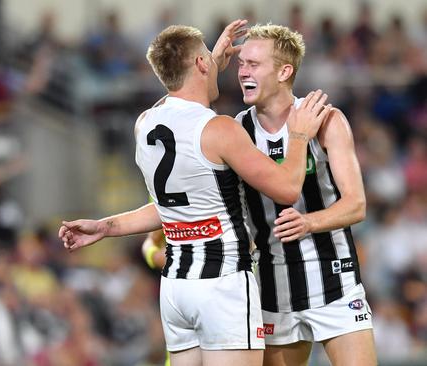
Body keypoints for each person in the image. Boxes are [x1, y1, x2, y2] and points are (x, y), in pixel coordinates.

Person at [60, 20, 332, 366]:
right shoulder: (220, 129)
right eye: (208, 56)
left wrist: (105, 227)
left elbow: (168, 205)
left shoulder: (145, 123)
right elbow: (288, 188)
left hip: (176, 288)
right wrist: (299, 136)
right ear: (201, 65)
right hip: (222, 283)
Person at [235, 24, 377, 365]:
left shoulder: (327, 120)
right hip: (273, 285)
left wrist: (308, 223)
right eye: (240, 63)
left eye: (253, 64)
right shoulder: (236, 131)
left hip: (335, 281)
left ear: (284, 71)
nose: (242, 72)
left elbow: (356, 204)